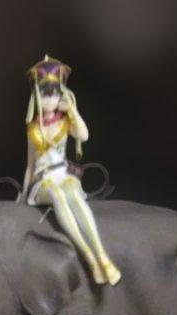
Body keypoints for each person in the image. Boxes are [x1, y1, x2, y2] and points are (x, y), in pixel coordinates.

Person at [21, 55, 119, 285]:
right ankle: (88, 256)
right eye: (45, 94)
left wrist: (73, 110)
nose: (50, 99)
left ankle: (102, 255)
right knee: (57, 193)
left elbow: (83, 135)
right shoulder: (33, 128)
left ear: (61, 95)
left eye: (55, 94)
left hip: (62, 174)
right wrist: (23, 197)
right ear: (37, 96)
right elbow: (30, 166)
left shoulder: (65, 121)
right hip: (42, 182)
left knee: (72, 192)